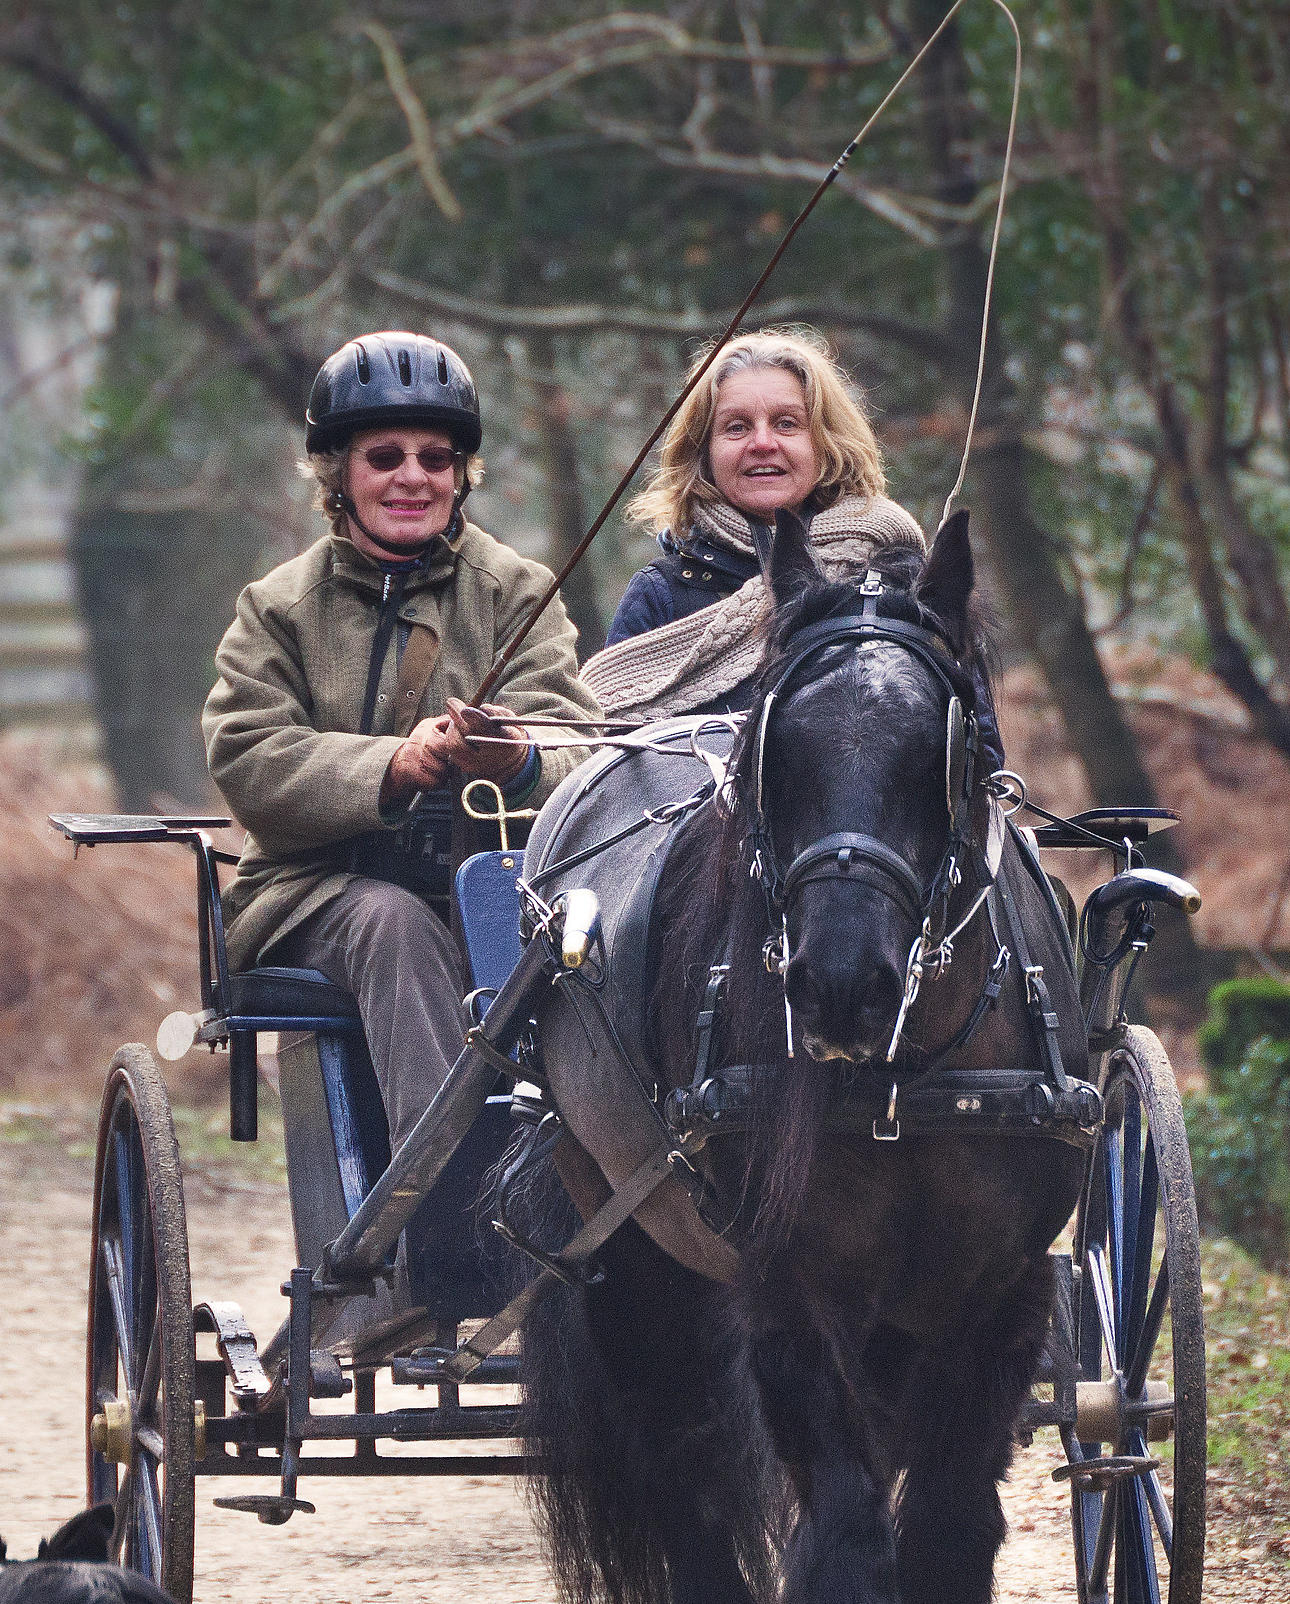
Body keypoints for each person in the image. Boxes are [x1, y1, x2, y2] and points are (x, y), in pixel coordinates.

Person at [201, 330, 595, 1141]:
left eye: (436, 457)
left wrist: (519, 763)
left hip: (497, 890)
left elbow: (580, 753)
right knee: (394, 925)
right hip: (311, 892)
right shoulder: (275, 608)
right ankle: (441, 1206)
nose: (413, 477)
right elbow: (249, 759)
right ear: (337, 474)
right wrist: (399, 764)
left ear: (461, 476)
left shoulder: (519, 594)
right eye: (385, 456)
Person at [582, 326, 927, 724]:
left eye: (786, 424)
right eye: (736, 427)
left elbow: (973, 747)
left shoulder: (896, 575)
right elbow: (604, 758)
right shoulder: (661, 595)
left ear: (826, 443)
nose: (762, 443)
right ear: (704, 453)